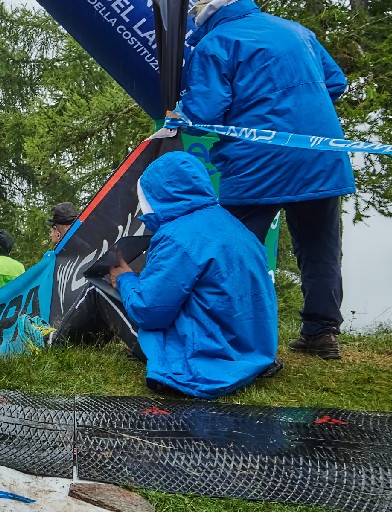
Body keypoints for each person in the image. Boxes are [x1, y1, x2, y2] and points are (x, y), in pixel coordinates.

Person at [182, 0, 354, 360]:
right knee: (320, 249)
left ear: (206, 13)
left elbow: (205, 113)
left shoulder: (216, 43)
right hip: (321, 158)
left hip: (257, 164)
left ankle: (222, 333)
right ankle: (322, 334)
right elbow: (336, 82)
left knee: (230, 250)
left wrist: (181, 114)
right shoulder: (298, 31)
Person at [106, 151, 280, 398]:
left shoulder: (176, 236)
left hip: (208, 360)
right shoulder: (233, 225)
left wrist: (124, 278)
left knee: (99, 291)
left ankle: (56, 340)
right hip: (252, 352)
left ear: (157, 196)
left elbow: (149, 311)